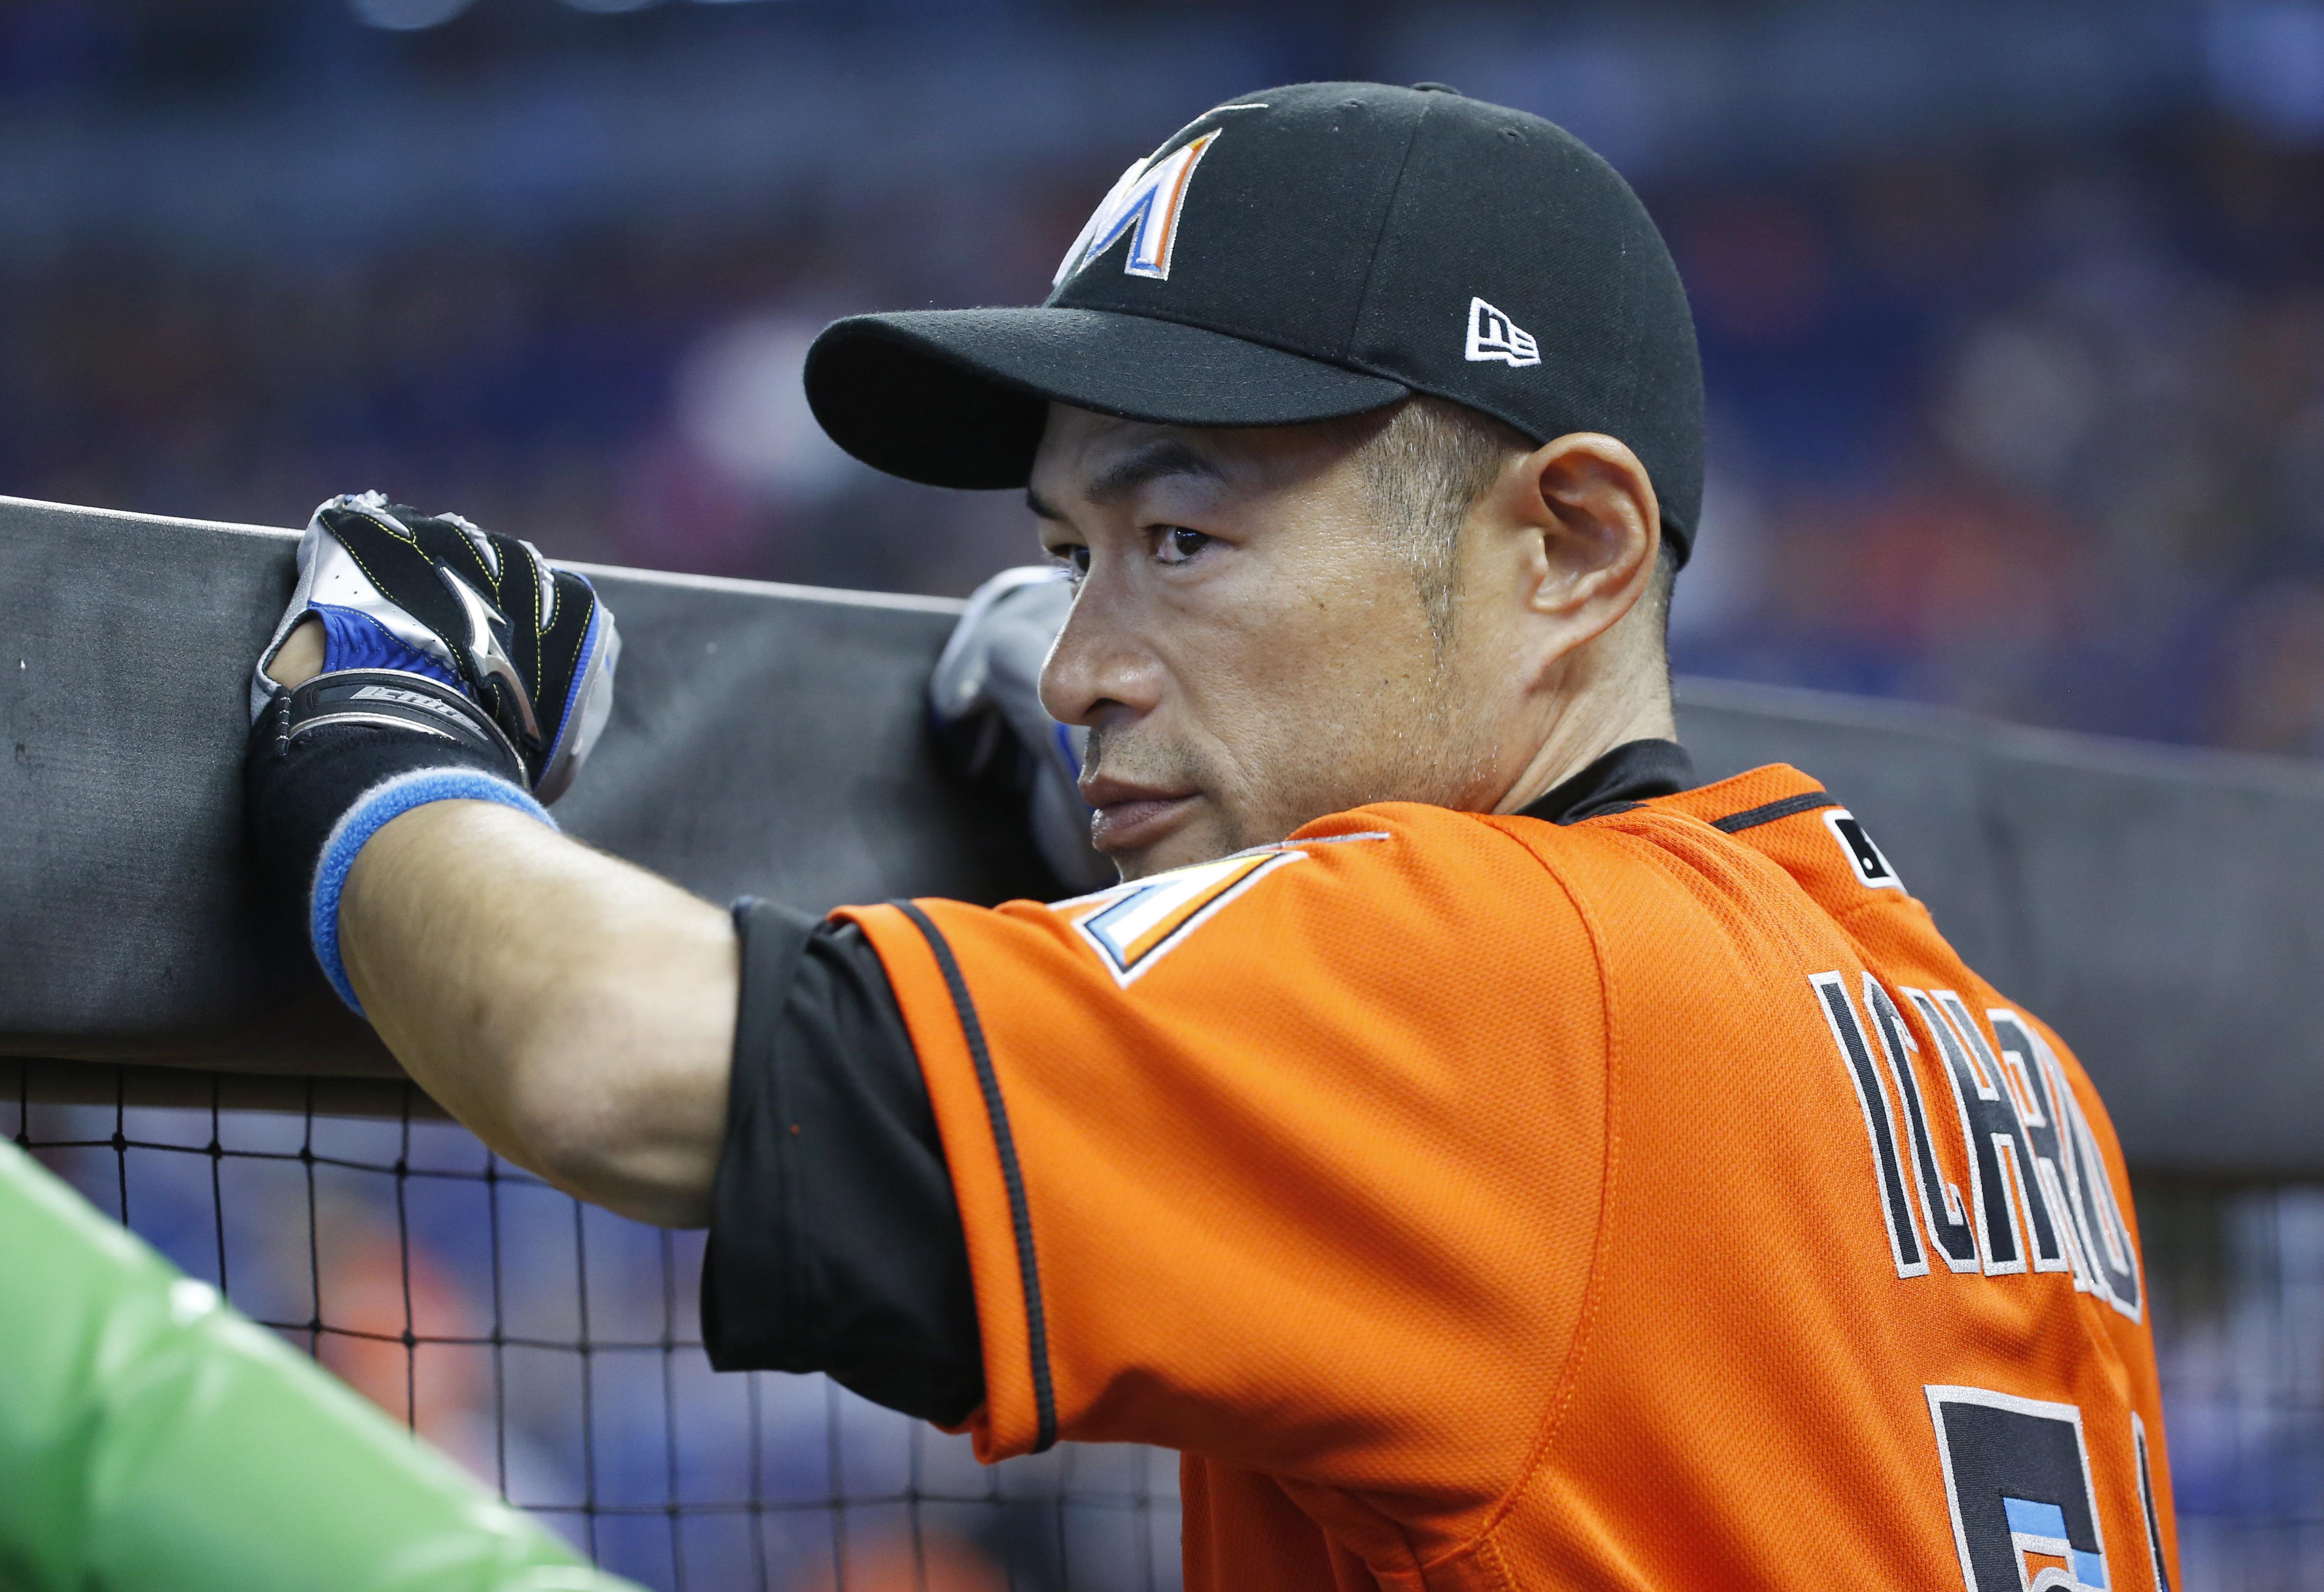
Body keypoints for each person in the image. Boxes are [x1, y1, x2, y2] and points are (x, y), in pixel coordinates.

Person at [243, 82, 2179, 1592]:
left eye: (1184, 539)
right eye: (1068, 554)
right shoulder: (1986, 1043)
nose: (1079, 666)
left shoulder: (1482, 965)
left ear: (1572, 545)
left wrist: (384, 722)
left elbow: (608, 1055)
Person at [0, 1137, 639, 1592]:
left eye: (403, 1336)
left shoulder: (512, 1475)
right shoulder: (277, 1443)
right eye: (370, 1337)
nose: (397, 1355)